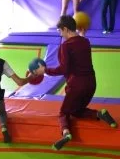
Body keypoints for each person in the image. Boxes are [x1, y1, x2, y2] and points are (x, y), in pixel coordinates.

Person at [34, 16, 117, 150]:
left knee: (63, 113)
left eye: (60, 31)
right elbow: (80, 51)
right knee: (77, 111)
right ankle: (100, 114)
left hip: (77, 86)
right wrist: (82, 35)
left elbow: (64, 69)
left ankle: (66, 133)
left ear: (65, 29)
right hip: (91, 84)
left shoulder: (65, 46)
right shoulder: (85, 41)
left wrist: (45, 70)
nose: (60, 34)